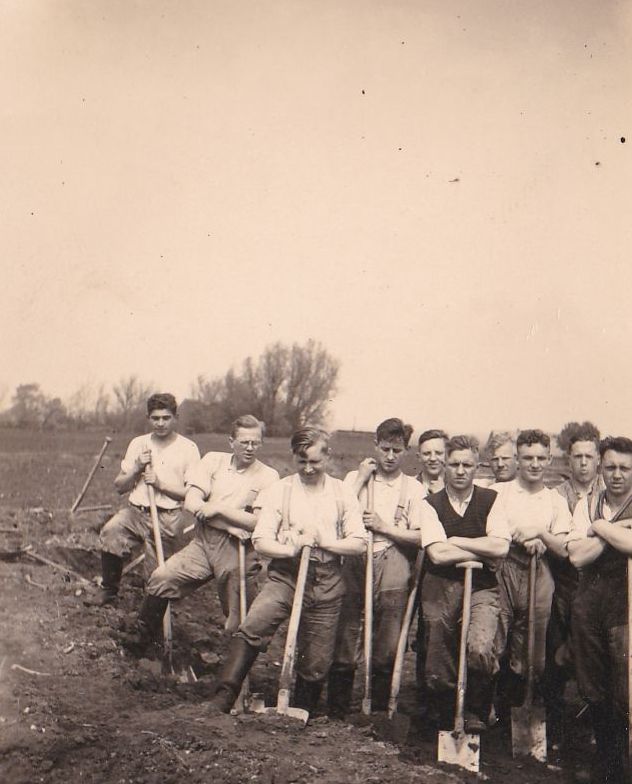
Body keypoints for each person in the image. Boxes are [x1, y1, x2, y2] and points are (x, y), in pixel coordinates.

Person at [208, 427, 366, 715]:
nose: (307, 469)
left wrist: (325, 542)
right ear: (294, 458)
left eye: (314, 462)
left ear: (327, 457)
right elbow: (261, 539)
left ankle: (300, 714)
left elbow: (358, 542)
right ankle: (221, 700)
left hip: (328, 579)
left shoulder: (342, 493)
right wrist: (290, 549)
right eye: (301, 461)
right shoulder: (281, 490)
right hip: (287, 575)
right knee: (255, 623)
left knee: (316, 661)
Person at [120, 415, 279, 651]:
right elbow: (192, 502)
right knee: (162, 578)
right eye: (244, 442)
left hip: (238, 551)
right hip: (203, 543)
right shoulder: (213, 461)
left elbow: (257, 522)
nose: (250, 448)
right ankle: (142, 642)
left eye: (255, 442)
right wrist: (230, 522)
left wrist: (217, 508)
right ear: (231, 441)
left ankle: (234, 672)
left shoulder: (269, 476)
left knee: (238, 617)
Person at [327, 418, 426, 718]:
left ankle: (380, 707)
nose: (390, 456)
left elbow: (422, 536)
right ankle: (337, 708)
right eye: (385, 449)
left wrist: (385, 528)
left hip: (393, 558)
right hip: (356, 558)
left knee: (387, 636)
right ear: (375, 446)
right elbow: (334, 514)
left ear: (406, 451)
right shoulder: (354, 481)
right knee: (346, 629)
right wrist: (359, 479)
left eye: (397, 450)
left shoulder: (414, 489)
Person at [419, 435, 510, 732]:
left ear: (477, 466)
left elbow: (501, 548)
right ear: (445, 465)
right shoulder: (430, 504)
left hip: (481, 586)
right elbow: (437, 553)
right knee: (437, 646)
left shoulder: (492, 500)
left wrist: (457, 540)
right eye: (454, 464)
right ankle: (445, 712)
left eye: (467, 465)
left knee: (480, 647)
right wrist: (479, 548)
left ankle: (476, 708)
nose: (460, 471)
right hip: (441, 584)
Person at [85, 393, 200, 606]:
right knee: (112, 531)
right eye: (155, 418)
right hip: (136, 512)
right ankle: (109, 589)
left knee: (157, 574)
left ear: (175, 417)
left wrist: (160, 484)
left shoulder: (188, 449)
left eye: (166, 418)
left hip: (168, 517)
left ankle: (151, 617)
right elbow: (120, 486)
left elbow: (192, 493)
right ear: (148, 418)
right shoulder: (138, 444)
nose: (160, 423)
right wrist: (137, 467)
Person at [491, 429, 571, 714]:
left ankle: (520, 707)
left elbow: (563, 549)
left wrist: (540, 534)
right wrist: (516, 535)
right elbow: (490, 530)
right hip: (502, 570)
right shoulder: (498, 493)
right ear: (517, 459)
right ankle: (490, 709)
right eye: (527, 458)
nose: (534, 464)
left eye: (540, 458)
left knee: (530, 650)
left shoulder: (555, 501)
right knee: (495, 640)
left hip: (540, 573)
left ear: (549, 459)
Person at [566, 436, 632, 784]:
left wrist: (602, 528)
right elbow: (576, 556)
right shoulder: (586, 503)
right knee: (594, 687)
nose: (617, 474)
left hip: (627, 602)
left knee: (626, 689)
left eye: (625, 467)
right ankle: (605, 761)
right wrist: (617, 531)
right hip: (589, 603)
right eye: (610, 467)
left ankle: (624, 764)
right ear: (600, 468)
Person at [545, 422, 602, 745]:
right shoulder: (556, 496)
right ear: (569, 461)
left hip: (596, 584)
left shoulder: (609, 493)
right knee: (556, 652)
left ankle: (597, 725)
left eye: (589, 456)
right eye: (577, 456)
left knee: (594, 655)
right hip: (563, 582)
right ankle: (554, 725)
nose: (583, 463)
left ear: (597, 460)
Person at [415, 429, 449, 496]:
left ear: (447, 455)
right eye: (427, 453)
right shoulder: (410, 487)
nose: (433, 458)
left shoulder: (459, 487)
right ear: (419, 457)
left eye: (438, 453)